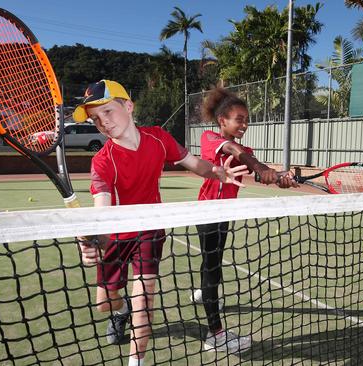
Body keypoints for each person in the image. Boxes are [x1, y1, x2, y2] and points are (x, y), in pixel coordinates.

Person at [75, 80, 248, 366]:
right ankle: (120, 312)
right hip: (115, 236)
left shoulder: (158, 138)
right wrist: (91, 236)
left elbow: (195, 163)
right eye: (95, 118)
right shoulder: (102, 161)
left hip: (150, 230)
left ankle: (136, 362)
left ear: (128, 106)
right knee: (105, 303)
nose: (102, 122)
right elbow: (101, 206)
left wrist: (216, 172)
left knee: (145, 303)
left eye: (107, 112)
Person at [192, 87, 295, 354]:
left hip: (225, 213)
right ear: (222, 121)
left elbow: (257, 170)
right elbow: (236, 152)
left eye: (246, 120)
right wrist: (260, 167)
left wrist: (281, 177)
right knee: (213, 268)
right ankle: (214, 334)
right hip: (208, 212)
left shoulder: (246, 149)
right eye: (239, 119)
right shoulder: (210, 137)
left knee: (210, 262)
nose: (244, 124)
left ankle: (205, 295)